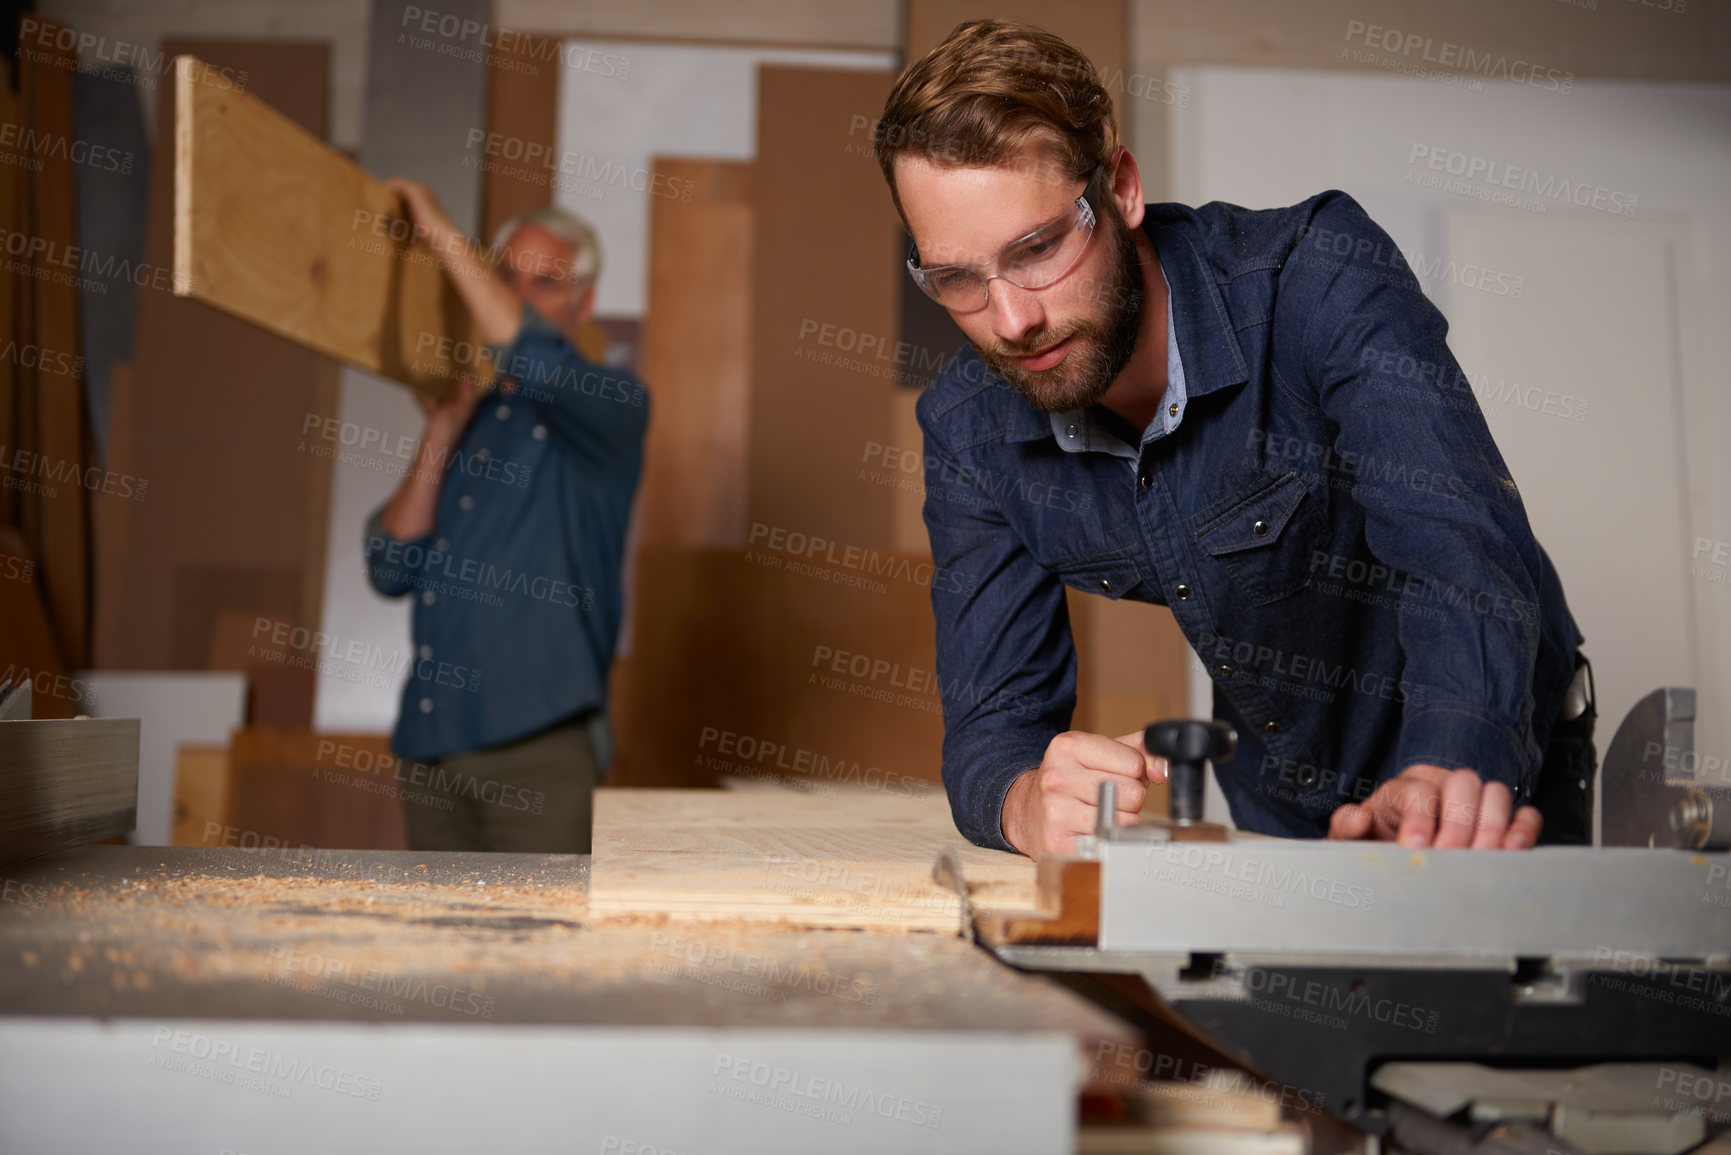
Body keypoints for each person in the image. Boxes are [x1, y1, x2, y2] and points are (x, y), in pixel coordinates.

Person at [873, 20, 1594, 858]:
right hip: (1282, 799)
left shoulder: (1318, 277)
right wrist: (1022, 800)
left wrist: (1447, 771)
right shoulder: (969, 427)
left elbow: (1459, 553)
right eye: (957, 278)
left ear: (1121, 190)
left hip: (1488, 769)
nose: (1010, 320)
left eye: (1036, 250)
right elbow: (990, 719)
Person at [362, 187, 648, 853]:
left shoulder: (614, 404)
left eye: (544, 283)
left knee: (534, 954)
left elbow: (531, 352)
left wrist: (439, 230)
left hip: (536, 749)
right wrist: (442, 428)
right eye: (506, 278)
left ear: (584, 303)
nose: (519, 296)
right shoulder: (476, 420)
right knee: (440, 958)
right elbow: (389, 566)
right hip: (428, 748)